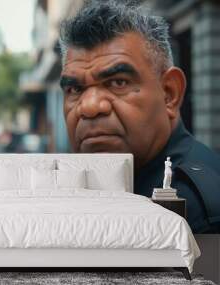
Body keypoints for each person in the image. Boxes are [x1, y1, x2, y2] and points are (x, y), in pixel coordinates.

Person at [58, 0, 220, 233]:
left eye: (118, 82)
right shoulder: (110, 184)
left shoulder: (193, 211)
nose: (90, 106)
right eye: (75, 89)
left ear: (169, 94)